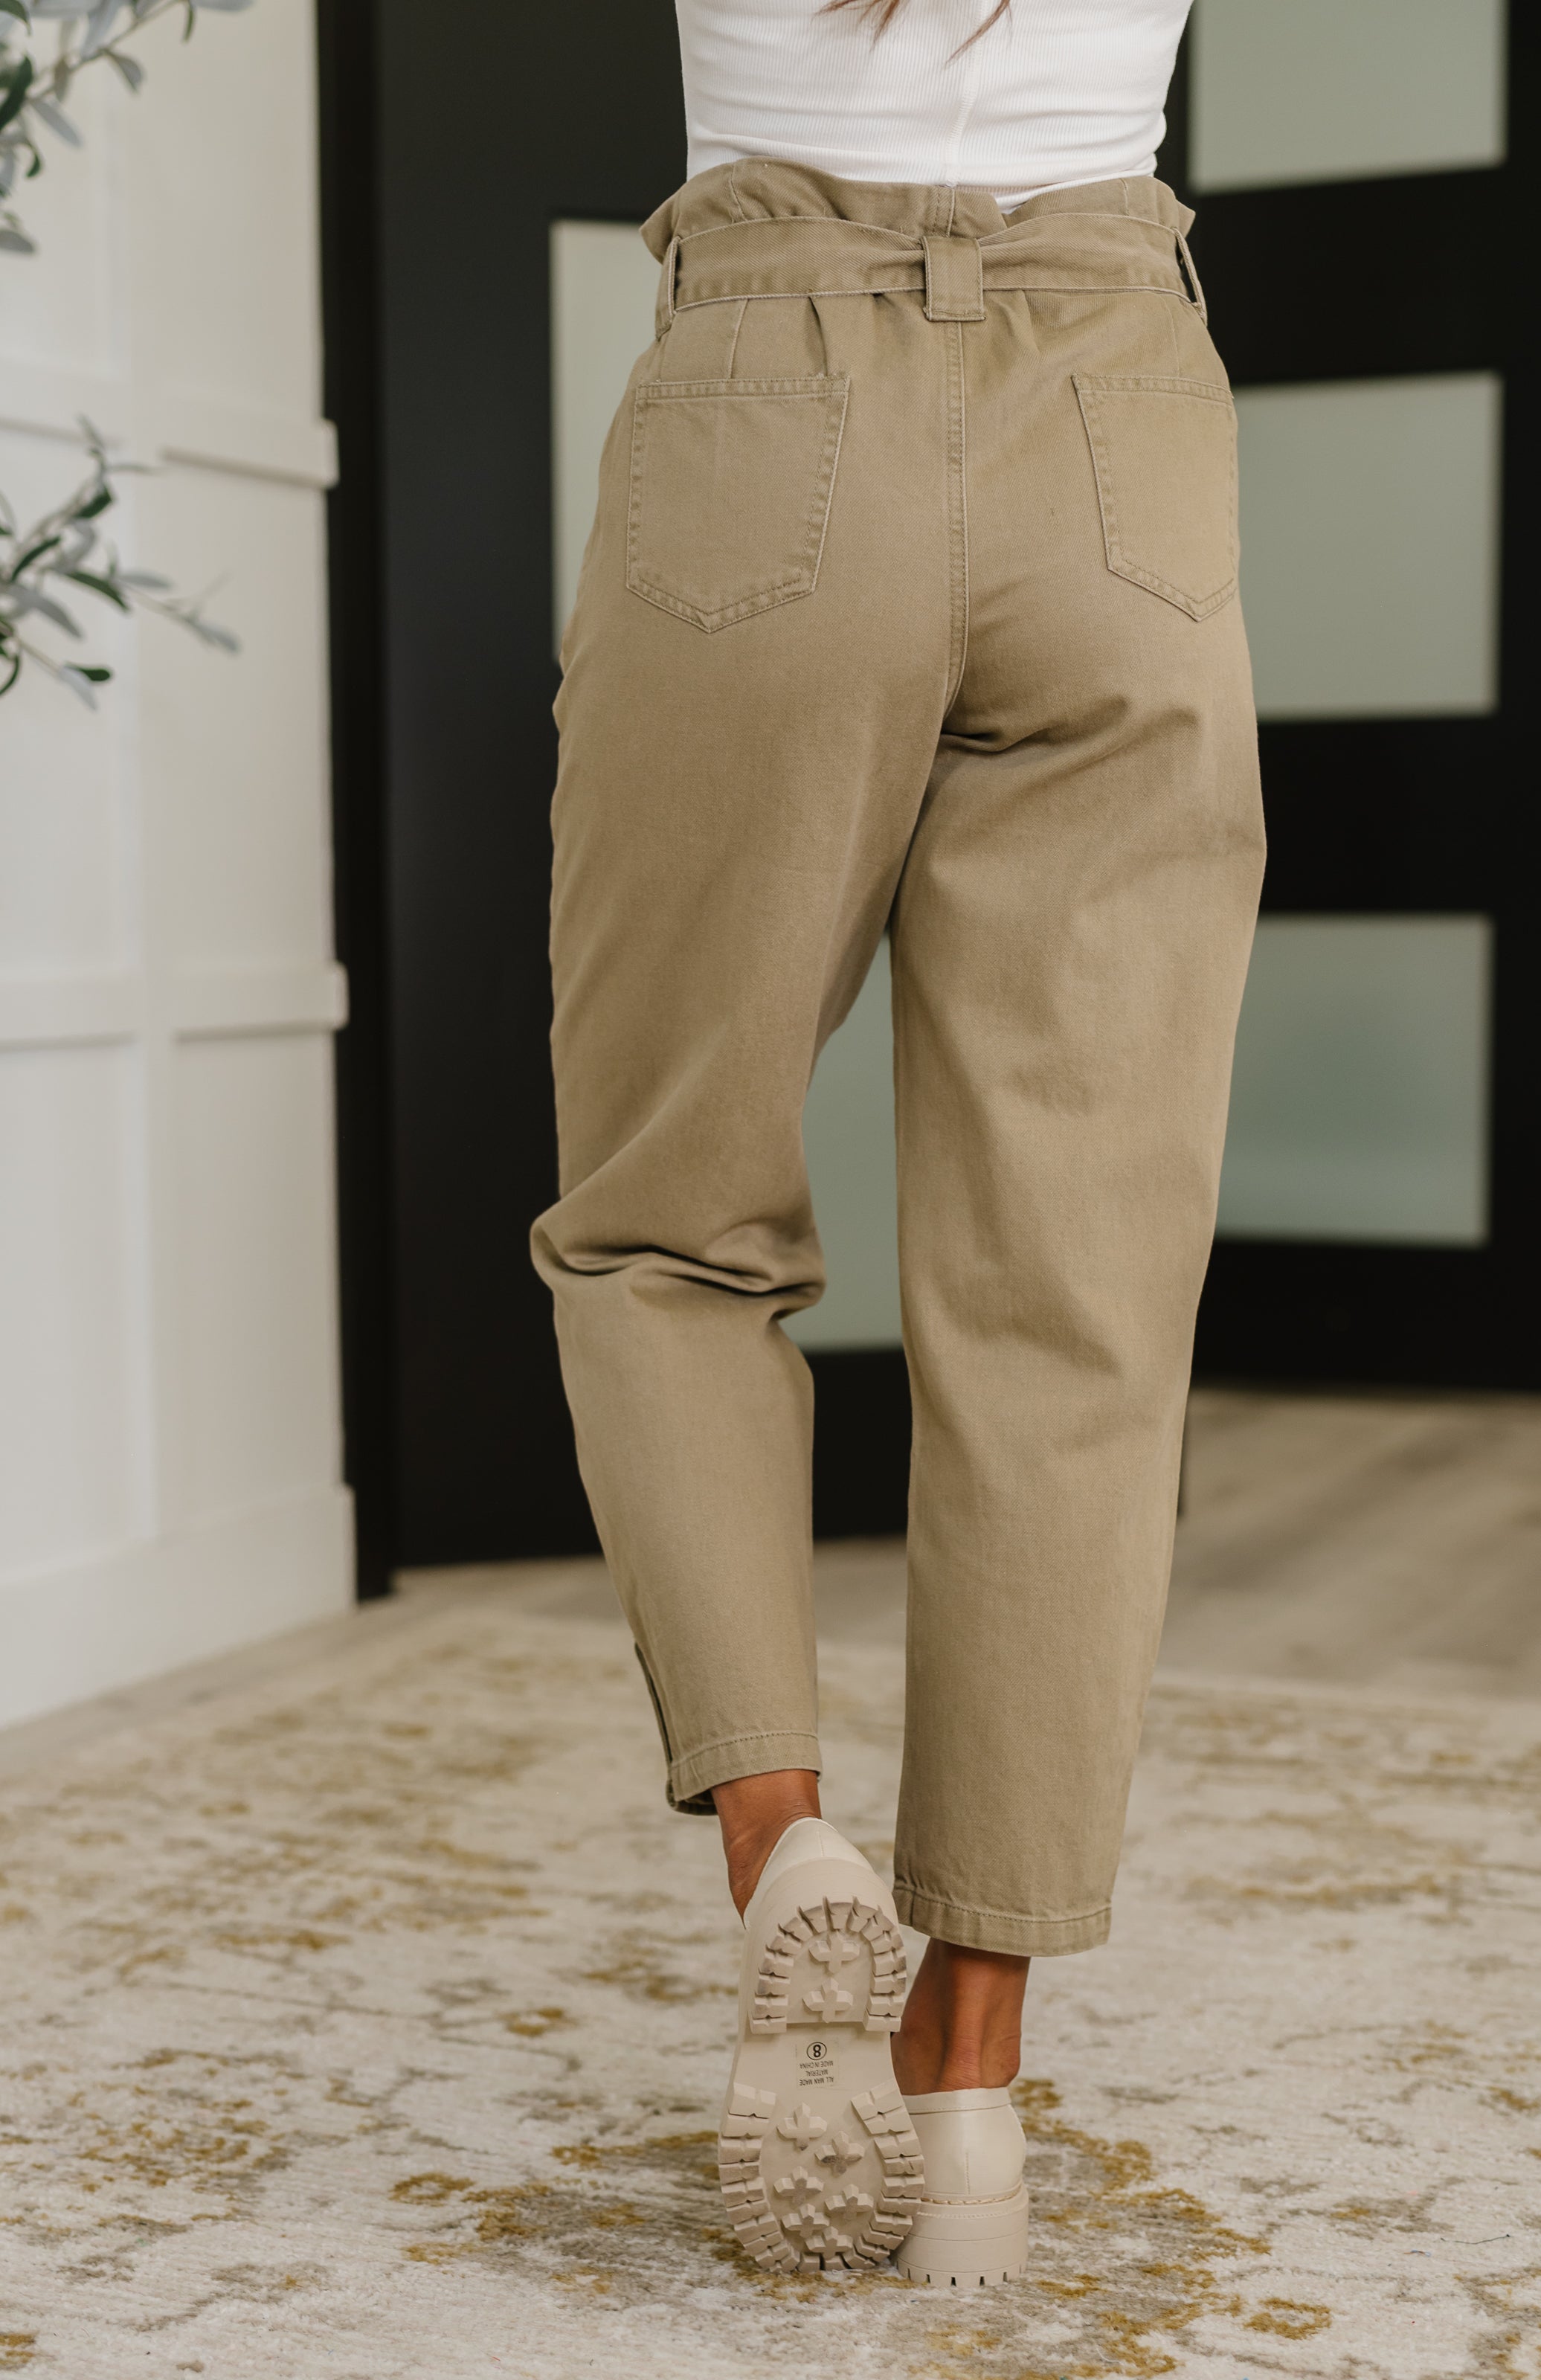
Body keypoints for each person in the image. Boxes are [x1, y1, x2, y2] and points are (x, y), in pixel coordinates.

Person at [531, 0, 1264, 2286]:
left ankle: (784, 1848)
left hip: (770, 405)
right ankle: (966, 2093)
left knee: (666, 1225)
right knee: (1073, 1295)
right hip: (1120, 428)